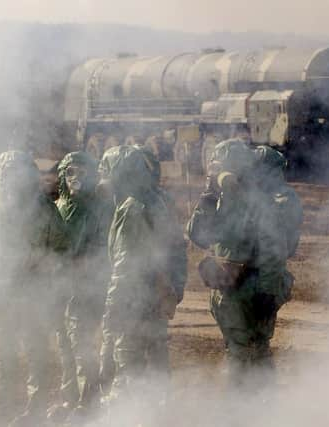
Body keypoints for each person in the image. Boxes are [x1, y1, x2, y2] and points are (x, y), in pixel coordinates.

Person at [186, 139, 302, 389]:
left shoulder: (262, 200)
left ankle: (239, 414)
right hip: (230, 286)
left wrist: (268, 291)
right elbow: (197, 234)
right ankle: (263, 409)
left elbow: (274, 247)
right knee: (253, 352)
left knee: (243, 354)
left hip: (251, 287)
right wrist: (209, 195)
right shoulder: (223, 197)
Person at [0, 150, 67, 427]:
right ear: (1, 175)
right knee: (5, 351)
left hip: (35, 292)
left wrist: (49, 279)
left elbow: (60, 249)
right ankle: (5, 408)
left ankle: (36, 409)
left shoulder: (44, 209)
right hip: (2, 293)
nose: (15, 179)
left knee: (36, 352)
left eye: (21, 172)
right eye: (9, 172)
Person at [98, 145, 187, 424]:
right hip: (155, 300)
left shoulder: (131, 209)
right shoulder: (156, 201)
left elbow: (125, 268)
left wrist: (112, 312)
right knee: (156, 367)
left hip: (133, 302)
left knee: (128, 372)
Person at [48, 151, 112, 423]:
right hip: (60, 284)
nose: (75, 179)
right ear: (63, 175)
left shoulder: (98, 208)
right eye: (70, 172)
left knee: (81, 342)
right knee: (64, 344)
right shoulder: (58, 205)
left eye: (81, 173)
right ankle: (70, 396)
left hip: (86, 285)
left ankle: (89, 399)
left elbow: (104, 246)